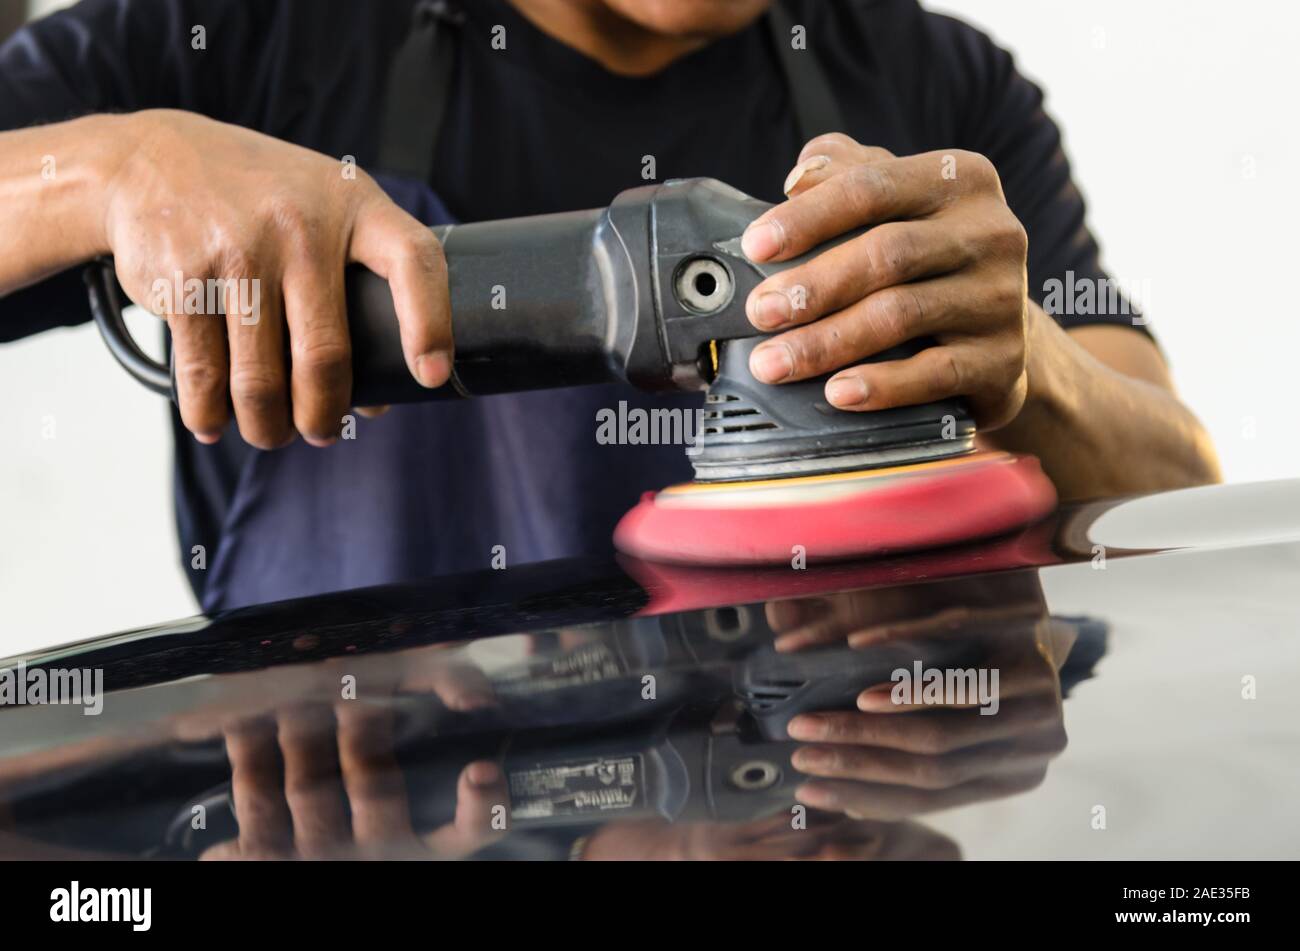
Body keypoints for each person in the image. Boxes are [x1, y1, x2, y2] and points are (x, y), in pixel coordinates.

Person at [0, 0, 1220, 612]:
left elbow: (1177, 498)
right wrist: (110, 170)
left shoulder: (934, 82)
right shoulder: (245, 38)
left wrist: (1030, 370)